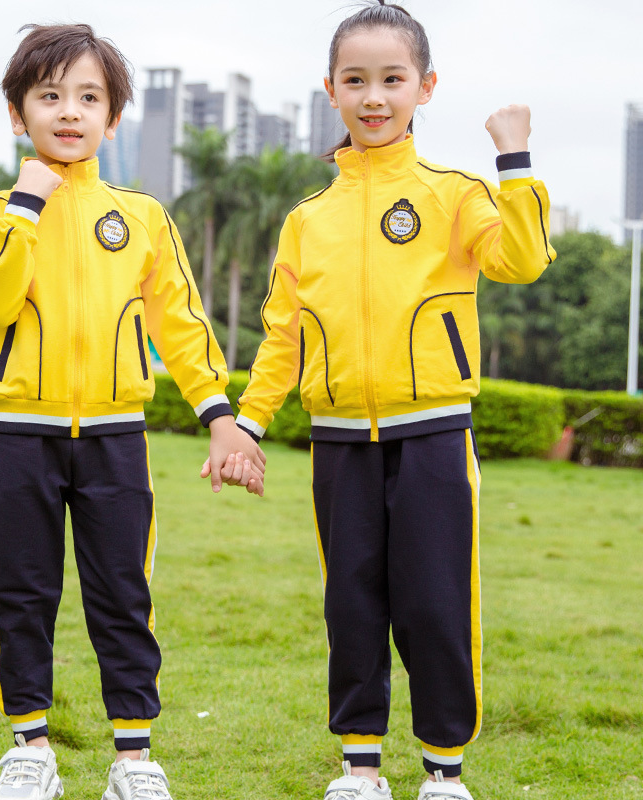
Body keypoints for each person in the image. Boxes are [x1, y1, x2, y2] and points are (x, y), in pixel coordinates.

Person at [231, 3, 555, 799]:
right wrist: (247, 423)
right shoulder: (307, 219)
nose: (373, 96)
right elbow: (283, 336)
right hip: (340, 442)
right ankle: (360, 765)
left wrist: (513, 156)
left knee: (436, 602)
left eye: (392, 79)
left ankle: (443, 768)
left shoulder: (455, 193)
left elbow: (522, 259)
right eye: (356, 80)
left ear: (425, 87)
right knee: (352, 604)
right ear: (331, 90)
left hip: (434, 436)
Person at [0, 23, 264, 800]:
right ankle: (29, 751)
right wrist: (28, 204)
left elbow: (183, 326)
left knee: (123, 592)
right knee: (20, 589)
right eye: (50, 95)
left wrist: (220, 414)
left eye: (89, 97)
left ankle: (134, 758)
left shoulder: (143, 216)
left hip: (115, 436)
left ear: (114, 117)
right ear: (17, 111)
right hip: (20, 433)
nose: (70, 111)